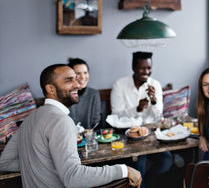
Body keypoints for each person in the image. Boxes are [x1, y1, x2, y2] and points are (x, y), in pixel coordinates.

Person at [0, 64, 141, 188]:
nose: (78, 84)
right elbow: (73, 177)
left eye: (76, 79)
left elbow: (4, 163)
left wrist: (41, 163)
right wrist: (124, 170)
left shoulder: (30, 118)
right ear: (51, 89)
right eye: (69, 80)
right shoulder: (61, 121)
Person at [111, 52, 171, 188]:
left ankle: (147, 181)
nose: (146, 72)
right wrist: (137, 109)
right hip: (128, 137)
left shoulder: (155, 84)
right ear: (133, 68)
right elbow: (116, 115)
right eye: (142, 68)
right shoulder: (120, 85)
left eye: (149, 68)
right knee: (139, 162)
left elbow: (157, 117)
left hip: (151, 136)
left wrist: (154, 101)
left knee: (167, 160)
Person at [67, 57, 101, 129]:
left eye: (85, 73)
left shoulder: (93, 94)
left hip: (90, 136)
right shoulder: (65, 95)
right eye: (78, 73)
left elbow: (96, 121)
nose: (83, 77)